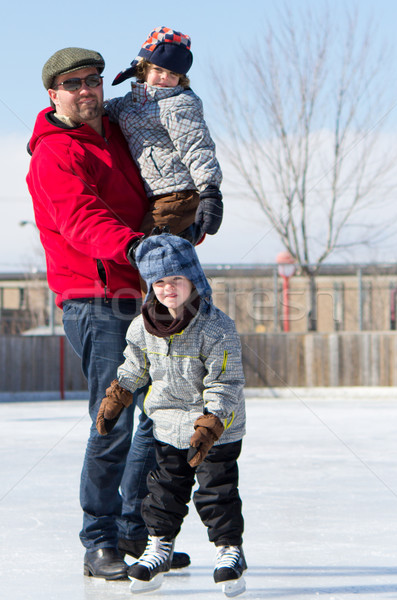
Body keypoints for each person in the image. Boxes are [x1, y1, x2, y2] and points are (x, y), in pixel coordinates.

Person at [26, 47, 189, 580]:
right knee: (113, 420)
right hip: (95, 302)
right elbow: (82, 220)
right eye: (72, 84)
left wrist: (189, 203)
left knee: (160, 413)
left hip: (143, 294)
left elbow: (162, 154)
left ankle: (133, 531)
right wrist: (141, 246)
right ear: (54, 95)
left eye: (92, 80)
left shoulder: (117, 133)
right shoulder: (55, 153)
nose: (85, 90)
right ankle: (99, 541)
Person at [96, 233, 247, 596]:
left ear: (194, 279)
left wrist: (211, 423)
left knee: (216, 491)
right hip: (167, 423)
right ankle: (159, 546)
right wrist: (119, 393)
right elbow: (135, 365)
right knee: (163, 490)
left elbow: (226, 381)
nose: (167, 289)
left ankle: (229, 551)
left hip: (216, 430)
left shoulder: (216, 327)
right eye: (158, 282)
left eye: (175, 279)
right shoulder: (142, 326)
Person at [105, 26, 223, 245]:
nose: (165, 78)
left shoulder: (179, 104)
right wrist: (57, 129)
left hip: (178, 194)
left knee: (150, 255)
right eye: (159, 70)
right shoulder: (129, 102)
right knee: (166, 263)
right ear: (144, 67)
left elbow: (197, 146)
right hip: (155, 195)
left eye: (173, 74)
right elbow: (102, 113)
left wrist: (210, 191)